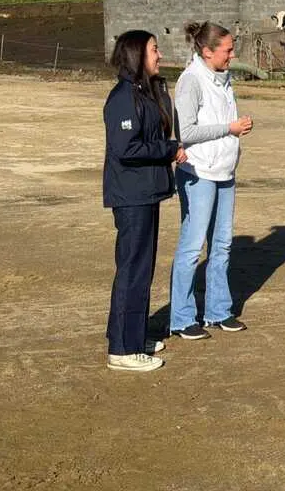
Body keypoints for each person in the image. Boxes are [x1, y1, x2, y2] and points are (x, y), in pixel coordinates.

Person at [103, 30, 186, 372]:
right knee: (133, 270)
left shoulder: (145, 92)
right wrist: (169, 150)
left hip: (146, 191)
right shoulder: (123, 97)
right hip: (132, 195)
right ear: (138, 53)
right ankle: (123, 350)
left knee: (141, 268)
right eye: (154, 49)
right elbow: (127, 148)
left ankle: (131, 336)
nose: (160, 54)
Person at [169, 21, 253, 340]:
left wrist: (235, 131)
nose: (232, 55)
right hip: (198, 173)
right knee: (192, 248)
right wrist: (228, 129)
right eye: (228, 49)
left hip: (225, 172)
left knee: (222, 245)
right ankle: (181, 317)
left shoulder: (223, 79)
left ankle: (218, 311)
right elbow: (186, 132)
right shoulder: (190, 81)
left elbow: (222, 121)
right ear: (207, 51)